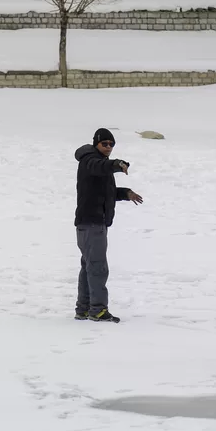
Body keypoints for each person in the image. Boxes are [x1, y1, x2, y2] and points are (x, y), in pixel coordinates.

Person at [74, 127, 143, 323]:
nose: (109, 147)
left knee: (89, 266)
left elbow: (106, 193)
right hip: (91, 223)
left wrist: (126, 193)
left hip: (92, 223)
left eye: (112, 144)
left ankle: (84, 309)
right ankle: (98, 310)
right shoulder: (90, 161)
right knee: (97, 267)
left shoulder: (98, 163)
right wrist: (117, 164)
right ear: (96, 144)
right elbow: (100, 167)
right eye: (105, 144)